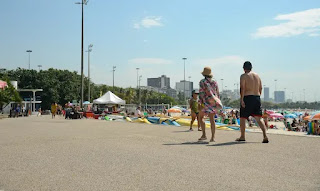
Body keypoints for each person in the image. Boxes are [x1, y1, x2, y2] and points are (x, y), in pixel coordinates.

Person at [237, 61, 268, 143]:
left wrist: (242, 99)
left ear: (244, 68)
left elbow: (242, 88)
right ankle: (265, 135)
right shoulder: (257, 76)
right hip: (257, 97)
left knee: (243, 118)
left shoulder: (243, 76)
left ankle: (242, 136)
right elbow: (260, 88)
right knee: (259, 118)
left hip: (247, 97)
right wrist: (257, 96)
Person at [198, 66, 221, 142]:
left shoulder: (202, 82)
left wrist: (200, 102)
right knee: (212, 120)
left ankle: (204, 134)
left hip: (205, 102)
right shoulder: (214, 82)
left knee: (201, 117)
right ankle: (213, 137)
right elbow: (217, 92)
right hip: (213, 102)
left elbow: (201, 92)